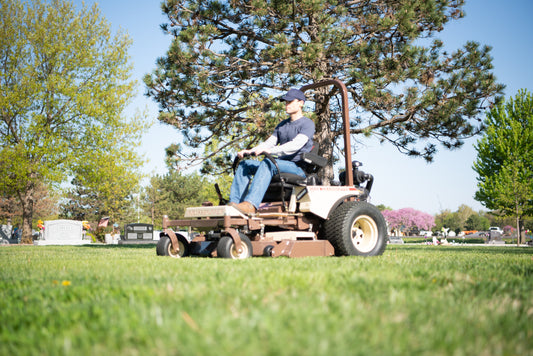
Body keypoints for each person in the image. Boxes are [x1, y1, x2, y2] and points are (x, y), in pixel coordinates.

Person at [229, 88, 315, 214]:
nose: (287, 105)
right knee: (245, 165)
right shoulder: (282, 125)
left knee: (268, 162)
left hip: (297, 168)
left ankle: (251, 204)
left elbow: (295, 145)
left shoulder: (307, 124)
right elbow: (269, 143)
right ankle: (235, 204)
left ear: (301, 103)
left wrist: (270, 150)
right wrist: (250, 151)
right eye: (286, 102)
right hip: (278, 165)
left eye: (290, 101)